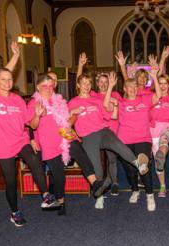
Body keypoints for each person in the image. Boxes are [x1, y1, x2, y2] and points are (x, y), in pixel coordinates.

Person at [0, 47, 49, 227]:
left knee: (35, 158)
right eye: (3, 79)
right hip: (3, 144)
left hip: (20, 140)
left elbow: (32, 124)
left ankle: (45, 195)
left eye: (10, 79)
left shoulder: (18, 100)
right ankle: (14, 212)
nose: (7, 82)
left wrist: (37, 115)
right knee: (11, 181)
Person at [28, 74, 109, 214]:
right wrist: (37, 115)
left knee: (80, 153)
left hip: (64, 135)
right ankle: (61, 202)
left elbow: (66, 118)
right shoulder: (34, 103)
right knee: (59, 175)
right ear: (38, 87)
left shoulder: (58, 100)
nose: (48, 88)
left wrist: (73, 114)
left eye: (50, 85)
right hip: (49, 142)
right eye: (44, 86)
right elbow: (33, 126)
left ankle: (95, 184)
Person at [68, 73, 150, 208]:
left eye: (88, 84)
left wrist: (115, 103)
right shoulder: (73, 102)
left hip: (103, 130)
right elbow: (65, 121)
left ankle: (139, 164)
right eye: (83, 83)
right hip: (88, 136)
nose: (86, 86)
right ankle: (99, 196)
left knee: (118, 145)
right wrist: (72, 112)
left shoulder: (96, 101)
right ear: (78, 85)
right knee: (97, 168)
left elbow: (111, 115)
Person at [103, 72, 159, 211]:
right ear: (125, 89)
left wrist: (155, 77)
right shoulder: (120, 102)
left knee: (143, 165)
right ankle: (135, 190)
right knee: (130, 170)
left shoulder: (144, 99)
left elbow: (158, 96)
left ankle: (150, 195)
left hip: (143, 139)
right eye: (129, 86)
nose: (133, 89)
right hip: (125, 140)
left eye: (135, 86)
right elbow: (106, 105)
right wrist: (110, 86)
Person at [77, 53, 121, 200]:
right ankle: (99, 185)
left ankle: (114, 182)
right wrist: (80, 66)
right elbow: (80, 84)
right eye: (100, 82)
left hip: (111, 130)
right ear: (96, 83)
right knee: (96, 161)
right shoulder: (93, 95)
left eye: (105, 82)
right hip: (94, 132)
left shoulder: (115, 94)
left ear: (109, 83)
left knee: (112, 158)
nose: (103, 84)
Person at [147, 63, 169, 198]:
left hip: (168, 127)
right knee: (158, 164)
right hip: (153, 130)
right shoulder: (152, 97)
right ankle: (162, 186)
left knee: (165, 138)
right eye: (160, 83)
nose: (163, 85)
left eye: (165, 83)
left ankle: (162, 152)